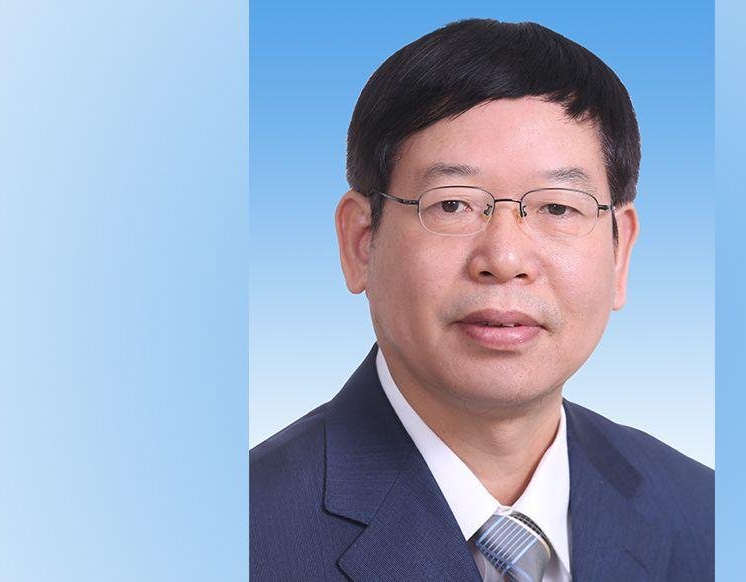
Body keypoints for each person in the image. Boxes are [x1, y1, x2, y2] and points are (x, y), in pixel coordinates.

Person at [251, 18, 713, 581]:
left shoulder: (706, 517)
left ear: (620, 253)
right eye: (452, 204)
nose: (505, 257)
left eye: (558, 207)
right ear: (361, 242)